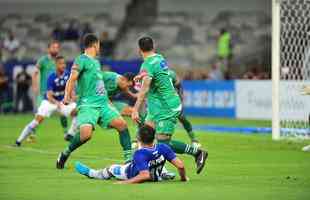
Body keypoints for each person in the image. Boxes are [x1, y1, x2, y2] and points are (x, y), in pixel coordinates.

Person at [131, 36, 208, 174]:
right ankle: (139, 167)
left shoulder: (147, 64)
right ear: (153, 47)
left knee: (163, 144)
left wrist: (135, 109)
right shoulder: (159, 58)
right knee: (144, 136)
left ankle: (197, 153)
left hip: (167, 107)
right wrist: (142, 76)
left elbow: (145, 89)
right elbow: (157, 74)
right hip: (157, 107)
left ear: (139, 50)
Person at [56, 33, 133, 169]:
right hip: (88, 104)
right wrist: (67, 96)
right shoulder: (81, 59)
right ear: (95, 44)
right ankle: (65, 153)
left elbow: (98, 85)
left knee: (122, 125)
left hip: (102, 104)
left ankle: (129, 162)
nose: (100, 48)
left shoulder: (96, 62)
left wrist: (108, 102)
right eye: (99, 45)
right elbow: (72, 78)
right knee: (86, 135)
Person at [75, 125, 187, 183]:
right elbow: (181, 166)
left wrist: (126, 182)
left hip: (131, 173)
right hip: (155, 175)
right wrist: (183, 178)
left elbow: (144, 175)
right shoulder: (163, 147)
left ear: (139, 138)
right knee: (158, 158)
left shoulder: (139, 153)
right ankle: (162, 173)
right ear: (154, 137)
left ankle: (91, 173)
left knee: (111, 169)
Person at [15, 56, 77, 146]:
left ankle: (70, 134)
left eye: (64, 63)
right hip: (49, 102)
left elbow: (71, 90)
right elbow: (49, 96)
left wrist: (72, 98)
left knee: (78, 111)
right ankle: (18, 141)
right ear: (56, 65)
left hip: (62, 101)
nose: (63, 65)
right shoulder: (51, 77)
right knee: (37, 121)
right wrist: (57, 103)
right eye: (61, 63)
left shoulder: (68, 74)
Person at [32, 40, 69, 139]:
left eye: (57, 47)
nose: (55, 49)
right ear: (48, 49)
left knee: (63, 112)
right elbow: (35, 73)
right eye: (53, 47)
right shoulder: (43, 60)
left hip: (58, 92)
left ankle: (66, 132)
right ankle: (32, 133)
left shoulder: (59, 61)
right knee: (41, 114)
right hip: (45, 91)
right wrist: (35, 86)